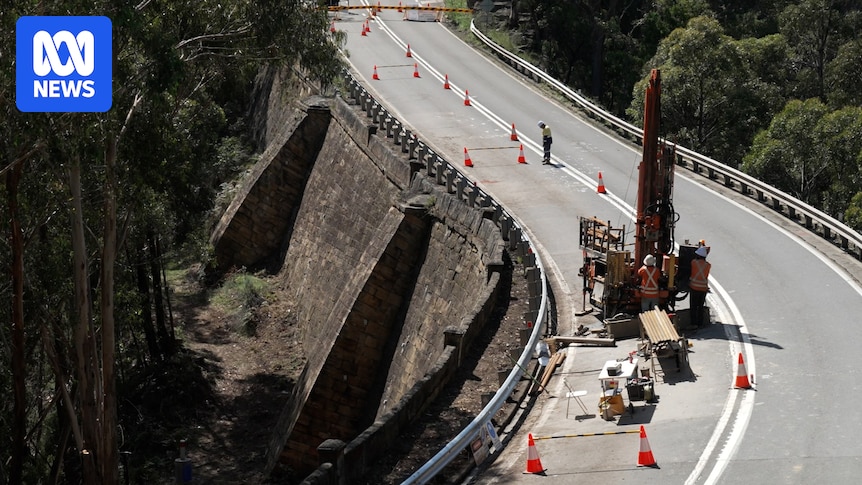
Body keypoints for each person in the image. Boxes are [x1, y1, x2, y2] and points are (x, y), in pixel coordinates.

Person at [689, 246, 711, 327]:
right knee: (700, 306)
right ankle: (700, 323)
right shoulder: (708, 265)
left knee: (693, 307)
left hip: (694, 287)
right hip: (703, 289)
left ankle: (693, 323)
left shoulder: (693, 262)